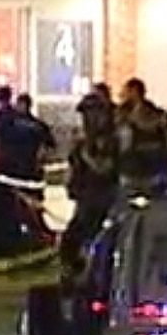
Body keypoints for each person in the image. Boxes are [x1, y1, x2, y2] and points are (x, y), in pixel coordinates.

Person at [63, 101, 124, 258]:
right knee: (72, 239)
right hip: (85, 198)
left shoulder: (110, 140)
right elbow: (73, 166)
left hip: (103, 200)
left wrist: (86, 156)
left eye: (92, 114)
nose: (87, 119)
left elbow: (105, 168)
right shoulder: (83, 141)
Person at [0, 88, 54, 184]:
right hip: (24, 168)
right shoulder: (36, 125)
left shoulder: (0, 120)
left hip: (7, 167)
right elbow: (49, 145)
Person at [114, 78, 167, 188]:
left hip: (151, 143)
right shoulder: (123, 109)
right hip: (131, 147)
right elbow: (119, 123)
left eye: (129, 91)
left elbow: (154, 122)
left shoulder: (149, 107)